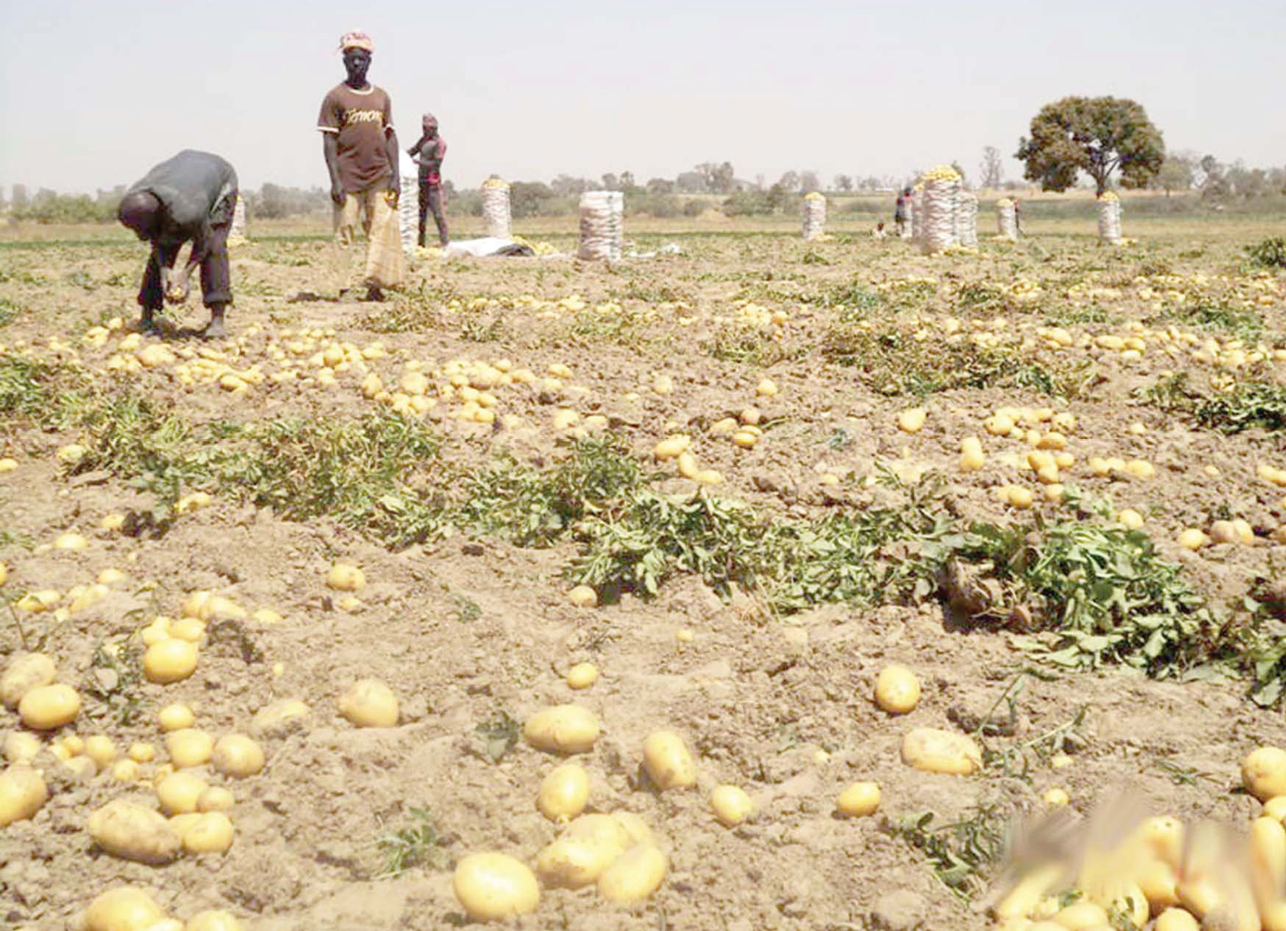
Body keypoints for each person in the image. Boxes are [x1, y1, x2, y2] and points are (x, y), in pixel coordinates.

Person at [318, 30, 403, 301]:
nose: (357, 64)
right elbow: (329, 142)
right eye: (352, 60)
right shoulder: (335, 97)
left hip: (380, 173)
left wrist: (396, 176)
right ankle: (342, 287)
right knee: (344, 231)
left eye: (362, 60)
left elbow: (390, 135)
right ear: (345, 62)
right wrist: (335, 181)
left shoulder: (381, 97)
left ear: (369, 62)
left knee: (378, 231)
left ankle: (375, 285)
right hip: (348, 176)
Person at [116, 150, 238, 338]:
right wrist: (165, 272)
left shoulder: (187, 212)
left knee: (215, 247)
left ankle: (217, 321)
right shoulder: (136, 198)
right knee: (166, 244)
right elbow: (158, 241)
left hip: (220, 178)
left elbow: (204, 242)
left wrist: (185, 275)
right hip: (182, 183)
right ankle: (146, 317)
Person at [407, 113, 449, 247]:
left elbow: (436, 164)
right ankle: (420, 244)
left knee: (439, 216)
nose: (425, 130)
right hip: (421, 183)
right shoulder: (423, 141)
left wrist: (418, 163)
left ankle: (445, 243)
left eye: (428, 128)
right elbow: (412, 151)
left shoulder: (439, 143)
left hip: (433, 184)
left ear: (435, 128)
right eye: (423, 128)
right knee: (420, 216)